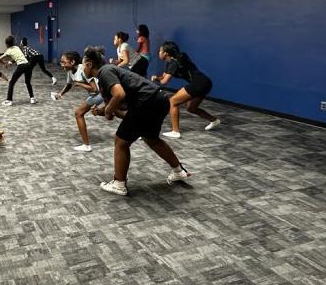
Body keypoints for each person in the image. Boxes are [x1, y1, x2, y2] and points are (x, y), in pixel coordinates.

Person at [83, 47, 191, 196]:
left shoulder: (105, 72)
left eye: (83, 65)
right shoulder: (107, 77)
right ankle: (179, 171)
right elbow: (122, 112)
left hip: (147, 101)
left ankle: (119, 184)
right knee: (151, 139)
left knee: (121, 141)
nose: (82, 68)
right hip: (159, 99)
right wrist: (103, 111)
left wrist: (107, 110)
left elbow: (119, 95)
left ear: (89, 64)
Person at [151, 41, 220, 139]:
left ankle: (175, 131)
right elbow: (163, 76)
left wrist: (157, 80)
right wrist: (157, 78)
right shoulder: (172, 62)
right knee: (191, 108)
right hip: (206, 82)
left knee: (172, 102)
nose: (159, 53)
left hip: (199, 83)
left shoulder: (173, 63)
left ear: (165, 53)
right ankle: (214, 120)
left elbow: (164, 81)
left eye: (160, 51)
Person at [55, 50, 105, 152]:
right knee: (116, 112)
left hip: (100, 93)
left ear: (72, 62)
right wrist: (60, 94)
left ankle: (86, 145)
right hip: (95, 94)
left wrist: (80, 84)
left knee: (78, 113)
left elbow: (95, 89)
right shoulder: (70, 71)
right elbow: (69, 85)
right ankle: (141, 129)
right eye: (61, 62)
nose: (62, 65)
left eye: (64, 62)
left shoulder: (83, 69)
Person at [0, 35, 36, 106]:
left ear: (6, 44)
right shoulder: (17, 47)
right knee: (28, 82)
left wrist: (4, 63)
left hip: (21, 66)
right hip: (28, 65)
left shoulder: (8, 51)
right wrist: (9, 62)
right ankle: (32, 98)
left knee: (11, 82)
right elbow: (18, 57)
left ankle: (9, 100)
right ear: (13, 42)